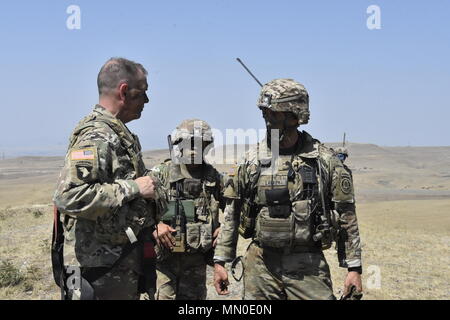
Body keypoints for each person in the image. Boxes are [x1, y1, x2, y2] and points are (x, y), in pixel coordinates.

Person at [213, 79, 363, 300]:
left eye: (274, 114)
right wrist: (220, 261)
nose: (267, 119)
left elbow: (346, 217)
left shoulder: (324, 161)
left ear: (295, 115)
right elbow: (232, 214)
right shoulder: (251, 160)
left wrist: (354, 268)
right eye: (265, 113)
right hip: (260, 264)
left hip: (307, 266)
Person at [53, 57, 167, 300]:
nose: (147, 101)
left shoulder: (116, 133)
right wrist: (133, 188)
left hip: (116, 264)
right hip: (98, 270)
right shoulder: (97, 136)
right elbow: (69, 197)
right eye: (143, 93)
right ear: (124, 91)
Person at [150, 119, 224, 300]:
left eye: (199, 144)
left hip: (196, 263)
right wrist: (155, 226)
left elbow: (234, 210)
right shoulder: (161, 174)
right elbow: (138, 211)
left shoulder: (214, 179)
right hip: (163, 263)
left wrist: (224, 229)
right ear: (178, 144)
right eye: (188, 143)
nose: (193, 149)